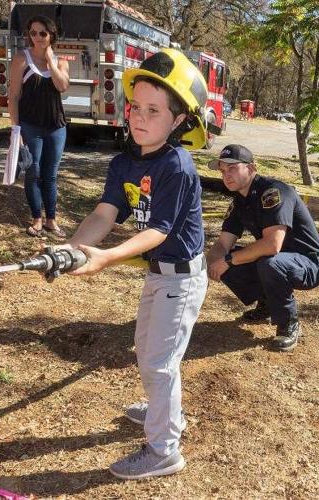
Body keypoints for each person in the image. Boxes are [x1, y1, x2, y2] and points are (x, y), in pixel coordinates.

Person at [52, 49, 209, 479]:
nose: (139, 117)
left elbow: (158, 231)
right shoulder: (123, 162)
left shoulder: (177, 165)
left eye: (154, 110)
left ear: (178, 121)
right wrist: (73, 249)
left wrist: (106, 258)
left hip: (182, 280)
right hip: (158, 276)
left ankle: (164, 450)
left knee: (160, 362)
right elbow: (104, 215)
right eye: (135, 106)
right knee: (149, 351)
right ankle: (164, 409)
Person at [207, 144, 319, 352]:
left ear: (252, 168)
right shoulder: (239, 201)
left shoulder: (273, 192)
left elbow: (272, 244)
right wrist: (208, 265)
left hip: (309, 263)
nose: (226, 175)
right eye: (222, 171)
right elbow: (222, 244)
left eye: (232, 168)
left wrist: (226, 261)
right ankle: (267, 303)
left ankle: (289, 323)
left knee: (267, 262)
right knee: (230, 258)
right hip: (277, 260)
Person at [8, 15, 69, 238]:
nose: (37, 37)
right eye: (33, 33)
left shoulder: (61, 62)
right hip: (30, 127)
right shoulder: (21, 60)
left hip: (56, 128)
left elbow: (62, 86)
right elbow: (13, 97)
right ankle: (37, 219)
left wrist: (51, 61)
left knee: (50, 175)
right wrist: (16, 130)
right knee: (33, 173)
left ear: (51, 34)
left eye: (42, 33)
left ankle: (51, 220)